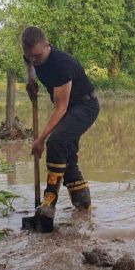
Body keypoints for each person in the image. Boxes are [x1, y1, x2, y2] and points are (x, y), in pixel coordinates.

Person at [21, 26, 99, 232]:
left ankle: (49, 201)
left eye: (38, 55)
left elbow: (61, 108)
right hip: (70, 107)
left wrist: (40, 139)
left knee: (55, 141)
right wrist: (30, 81)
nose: (34, 60)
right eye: (31, 56)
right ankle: (84, 208)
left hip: (84, 106)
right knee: (67, 156)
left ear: (47, 46)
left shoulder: (61, 64)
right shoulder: (31, 56)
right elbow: (28, 63)